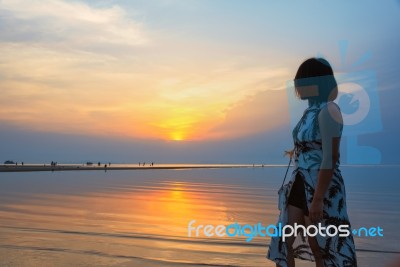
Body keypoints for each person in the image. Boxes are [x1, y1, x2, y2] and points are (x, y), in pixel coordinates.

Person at [267, 58, 357, 267]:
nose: (297, 86)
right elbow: (312, 145)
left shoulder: (330, 111)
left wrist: (317, 199)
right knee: (283, 242)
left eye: (302, 80)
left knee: (321, 247)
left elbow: (331, 157)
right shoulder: (309, 111)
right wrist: (298, 150)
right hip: (299, 182)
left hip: (321, 187)